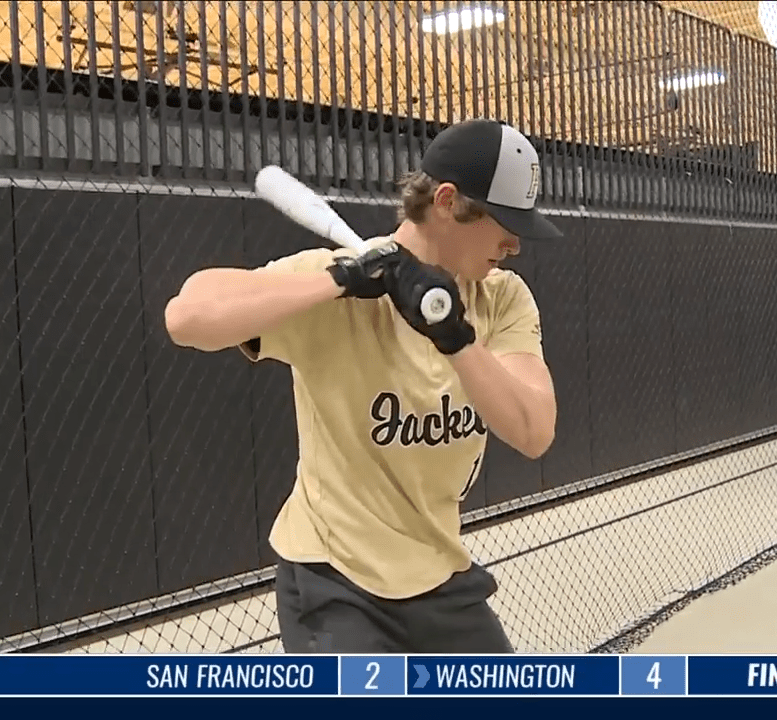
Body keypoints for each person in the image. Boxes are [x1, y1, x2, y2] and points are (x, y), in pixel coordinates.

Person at [163, 118, 562, 653]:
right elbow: (187, 316)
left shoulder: (501, 298)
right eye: (503, 223)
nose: (514, 243)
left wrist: (455, 338)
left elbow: (533, 431)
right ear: (447, 201)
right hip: (335, 581)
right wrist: (341, 280)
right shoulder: (341, 281)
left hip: (437, 576)